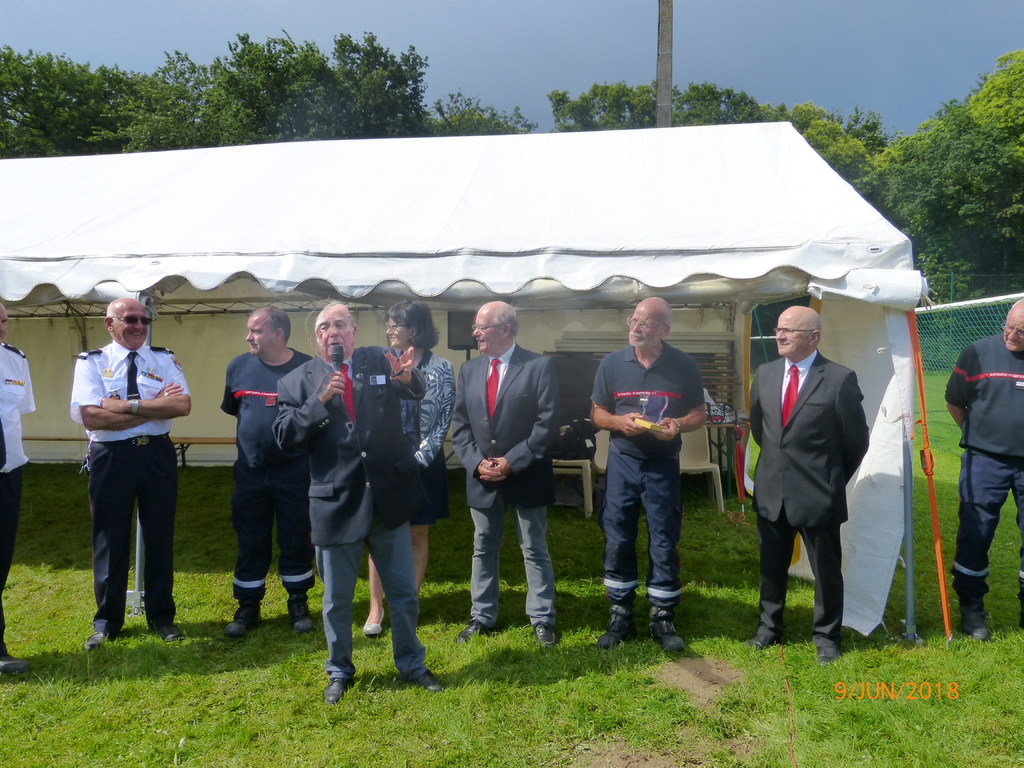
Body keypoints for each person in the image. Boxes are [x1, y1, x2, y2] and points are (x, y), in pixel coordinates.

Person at [273, 302, 442, 704]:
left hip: (387, 498)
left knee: (403, 593)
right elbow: (283, 436)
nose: (333, 332)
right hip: (336, 503)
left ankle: (412, 664)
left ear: (354, 331)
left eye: (341, 325)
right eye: (324, 327)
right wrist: (318, 401)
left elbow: (415, 389)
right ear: (315, 338)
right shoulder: (296, 381)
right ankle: (339, 670)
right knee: (336, 601)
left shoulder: (378, 359)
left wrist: (408, 376)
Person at [746, 306, 869, 664]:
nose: (780, 336)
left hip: (818, 493)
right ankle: (769, 627)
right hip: (772, 490)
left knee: (825, 571)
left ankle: (827, 637)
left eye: (789, 331)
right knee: (771, 566)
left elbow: (855, 442)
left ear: (813, 337)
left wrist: (830, 479)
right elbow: (762, 430)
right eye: (778, 329)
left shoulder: (839, 379)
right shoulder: (765, 373)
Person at [70, 298, 192, 650]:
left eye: (144, 319)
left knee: (159, 534)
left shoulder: (163, 359)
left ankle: (162, 617)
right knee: (110, 539)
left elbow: (182, 405)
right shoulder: (92, 362)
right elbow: (91, 416)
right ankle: (107, 621)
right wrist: (155, 407)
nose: (139, 326)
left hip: (156, 453)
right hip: (112, 456)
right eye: (130, 319)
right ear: (110, 324)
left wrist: (124, 405)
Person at [590, 297, 706, 652]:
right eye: (633, 320)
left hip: (663, 462)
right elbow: (597, 413)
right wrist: (617, 421)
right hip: (622, 461)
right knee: (618, 535)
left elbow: (699, 413)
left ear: (664, 330)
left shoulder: (683, 364)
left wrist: (677, 424)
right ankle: (620, 614)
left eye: (645, 323)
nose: (635, 328)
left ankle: (662, 616)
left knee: (663, 537)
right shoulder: (612, 363)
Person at [450, 301, 560, 647]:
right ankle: (481, 616)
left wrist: (512, 461)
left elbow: (547, 424)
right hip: (482, 477)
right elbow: (460, 425)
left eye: (481, 327)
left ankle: (542, 618)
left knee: (534, 547)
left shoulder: (539, 366)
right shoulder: (469, 369)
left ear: (505, 330)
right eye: (475, 327)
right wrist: (475, 462)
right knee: (483, 547)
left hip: (527, 474)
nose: (475, 333)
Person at [220, 307, 315, 638]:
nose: (249, 337)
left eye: (256, 331)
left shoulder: (307, 368)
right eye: (249, 330)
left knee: (296, 536)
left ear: (279, 334)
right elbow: (238, 412)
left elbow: (315, 417)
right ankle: (248, 605)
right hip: (250, 472)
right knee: (250, 537)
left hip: (295, 472)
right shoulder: (238, 366)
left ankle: (298, 601)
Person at [362, 301, 454, 638]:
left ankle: (407, 605)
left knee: (417, 533)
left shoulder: (443, 367)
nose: (388, 331)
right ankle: (375, 607)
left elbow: (442, 421)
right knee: (381, 532)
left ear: (414, 329)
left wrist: (417, 460)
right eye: (387, 325)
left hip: (424, 462)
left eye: (394, 325)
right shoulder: (380, 361)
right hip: (385, 462)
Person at [945, 299, 1024, 640]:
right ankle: (972, 609)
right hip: (984, 461)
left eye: (1021, 332)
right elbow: (954, 401)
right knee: (975, 533)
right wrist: (979, 436)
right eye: (1009, 327)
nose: (1012, 336)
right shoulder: (976, 353)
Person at [0, 304, 35, 674]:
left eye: (4, 321)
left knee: (1, 562)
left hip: (8, 471)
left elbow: (16, 412)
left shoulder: (15, 360)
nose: (2, 327)